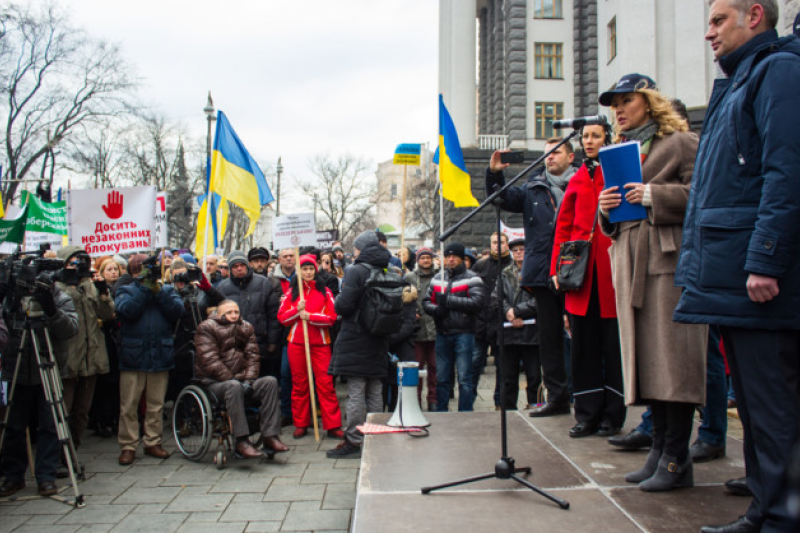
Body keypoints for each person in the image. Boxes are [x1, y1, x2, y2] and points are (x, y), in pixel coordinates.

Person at [673, 1, 800, 531]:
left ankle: (781, 518)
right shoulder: (744, 78)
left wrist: (765, 260)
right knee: (754, 408)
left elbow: (786, 172)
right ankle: (764, 511)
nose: (708, 33)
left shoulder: (779, 70)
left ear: (755, 15)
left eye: (718, 20)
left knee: (774, 412)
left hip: (759, 279)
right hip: (733, 276)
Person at [596, 73, 707, 492]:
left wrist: (653, 196)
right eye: (615, 104)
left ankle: (678, 458)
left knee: (672, 361)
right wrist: (606, 209)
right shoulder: (619, 152)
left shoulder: (680, 142)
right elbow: (615, 218)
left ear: (649, 102)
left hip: (667, 262)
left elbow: (705, 195)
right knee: (647, 361)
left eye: (627, 101)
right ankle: (659, 450)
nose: (619, 110)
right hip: (630, 262)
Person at [486, 139, 577, 417]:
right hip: (543, 271)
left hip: (577, 268)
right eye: (546, 153)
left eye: (556, 152)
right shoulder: (532, 189)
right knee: (549, 340)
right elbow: (499, 197)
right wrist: (495, 173)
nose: (549, 158)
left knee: (582, 338)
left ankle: (586, 397)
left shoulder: (582, 183)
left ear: (571, 157)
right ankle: (557, 398)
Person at [551, 123, 626, 438]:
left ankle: (613, 415)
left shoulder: (616, 169)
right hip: (581, 276)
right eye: (585, 137)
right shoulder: (579, 177)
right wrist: (557, 266)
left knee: (612, 347)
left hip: (612, 273)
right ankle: (586, 414)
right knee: (583, 348)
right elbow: (564, 224)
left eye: (595, 135)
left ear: (606, 137)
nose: (590, 140)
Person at [0, 269, 75, 497]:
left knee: (50, 425)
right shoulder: (13, 295)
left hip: (47, 363)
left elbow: (70, 328)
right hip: (17, 367)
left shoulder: (60, 296)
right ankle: (13, 476)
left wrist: (51, 309)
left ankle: (46, 477)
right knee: (13, 425)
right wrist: (10, 300)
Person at [194, 300, 289, 457]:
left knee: (270, 382)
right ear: (219, 314)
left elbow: (253, 355)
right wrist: (232, 378)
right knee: (233, 386)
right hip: (215, 382)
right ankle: (241, 440)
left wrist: (249, 381)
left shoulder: (246, 327)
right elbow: (210, 360)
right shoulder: (206, 328)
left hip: (242, 380)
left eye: (236, 312)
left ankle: (270, 436)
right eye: (229, 313)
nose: (233, 315)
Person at [327, 231, 392, 458]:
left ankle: (354, 441)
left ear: (361, 249)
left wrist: (336, 300)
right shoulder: (388, 268)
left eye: (355, 248)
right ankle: (375, 437)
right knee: (375, 390)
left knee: (355, 392)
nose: (353, 252)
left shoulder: (357, 270)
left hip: (356, 337)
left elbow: (343, 306)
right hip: (379, 337)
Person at [115, 254, 184, 465]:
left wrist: (158, 291)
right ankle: (128, 445)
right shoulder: (126, 289)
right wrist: (145, 289)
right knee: (129, 405)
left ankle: (153, 441)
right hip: (133, 355)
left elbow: (177, 311)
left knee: (156, 404)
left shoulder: (166, 289)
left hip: (159, 354)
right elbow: (127, 311)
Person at [54, 246, 115, 449]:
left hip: (90, 358)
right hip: (68, 358)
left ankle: (74, 450)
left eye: (81, 262)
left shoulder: (89, 285)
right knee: (63, 409)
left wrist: (104, 294)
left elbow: (106, 315)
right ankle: (59, 454)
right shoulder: (56, 286)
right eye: (73, 262)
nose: (78, 267)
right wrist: (71, 288)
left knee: (82, 411)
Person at [276, 254, 343, 440]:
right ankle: (301, 423)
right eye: (304, 269)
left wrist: (310, 316)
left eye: (310, 268)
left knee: (326, 385)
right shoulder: (292, 292)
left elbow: (331, 318)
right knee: (299, 384)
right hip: (297, 343)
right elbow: (282, 317)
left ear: (316, 270)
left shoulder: (325, 292)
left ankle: (333, 425)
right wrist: (297, 311)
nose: (307, 272)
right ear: (299, 271)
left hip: (320, 344)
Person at [422, 242, 484, 412]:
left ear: (461, 258)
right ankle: (442, 411)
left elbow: (477, 303)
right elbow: (426, 302)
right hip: (442, 333)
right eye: (447, 256)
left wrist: (448, 301)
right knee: (442, 377)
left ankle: (465, 413)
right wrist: (438, 310)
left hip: (464, 333)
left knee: (464, 378)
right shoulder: (437, 278)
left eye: (454, 256)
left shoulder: (473, 278)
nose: (450, 259)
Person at [212, 251, 282, 379]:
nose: (239, 268)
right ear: (230, 269)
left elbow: (273, 315)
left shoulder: (263, 283)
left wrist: (273, 341)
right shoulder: (222, 288)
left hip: (260, 343)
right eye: (235, 266)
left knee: (263, 381)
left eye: (242, 265)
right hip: (234, 345)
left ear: (247, 265)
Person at [166, 259, 224, 402]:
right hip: (179, 344)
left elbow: (223, 302)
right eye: (177, 276)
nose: (181, 280)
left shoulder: (199, 293)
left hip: (200, 341)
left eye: (183, 275)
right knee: (180, 381)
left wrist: (207, 286)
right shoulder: (168, 294)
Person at [493, 238, 541, 410]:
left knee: (534, 376)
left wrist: (519, 311)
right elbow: (496, 298)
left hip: (532, 332)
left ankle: (536, 405)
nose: (519, 252)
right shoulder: (504, 274)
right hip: (509, 333)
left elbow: (540, 299)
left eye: (522, 249)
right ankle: (508, 409)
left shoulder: (536, 271)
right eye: (515, 250)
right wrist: (509, 313)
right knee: (508, 377)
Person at [471, 232, 512, 409]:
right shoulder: (480, 265)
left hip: (504, 323)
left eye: (501, 242)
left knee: (503, 368)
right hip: (481, 323)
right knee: (474, 365)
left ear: (507, 244)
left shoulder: (512, 265)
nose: (498, 245)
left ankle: (499, 402)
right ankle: (468, 401)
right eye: (494, 242)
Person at [405, 247, 438, 411]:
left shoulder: (440, 276)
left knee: (435, 368)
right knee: (416, 369)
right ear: (417, 260)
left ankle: (433, 400)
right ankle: (415, 401)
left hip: (436, 330)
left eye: (428, 258)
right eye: (423, 258)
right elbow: (404, 300)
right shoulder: (409, 278)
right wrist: (412, 313)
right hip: (417, 331)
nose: (426, 260)